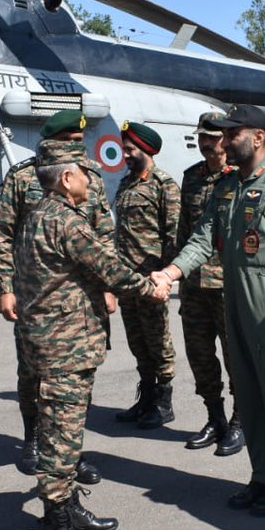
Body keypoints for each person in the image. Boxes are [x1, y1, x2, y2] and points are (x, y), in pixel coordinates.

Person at [155, 104, 265, 517]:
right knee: (249, 393)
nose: (223, 141)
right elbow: (202, 238)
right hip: (234, 302)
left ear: (258, 138)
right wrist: (171, 273)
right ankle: (262, 475)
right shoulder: (226, 187)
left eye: (232, 134)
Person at [15, 139, 169, 530]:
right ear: (67, 179)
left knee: (60, 430)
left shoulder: (36, 215)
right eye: (85, 173)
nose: (91, 180)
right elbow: (111, 268)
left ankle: (68, 507)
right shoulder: (67, 221)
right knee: (62, 437)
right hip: (64, 345)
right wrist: (150, 287)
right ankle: (56, 525)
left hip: (47, 341)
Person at [0, 110, 111, 483]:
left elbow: (103, 232)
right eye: (71, 144)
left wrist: (107, 287)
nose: (78, 151)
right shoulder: (23, 177)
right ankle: (33, 440)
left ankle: (69, 455)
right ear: (52, 143)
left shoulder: (89, 177)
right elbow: (2, 233)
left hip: (83, 300)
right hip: (37, 298)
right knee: (32, 375)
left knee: (77, 380)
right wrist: (6, 287)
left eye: (80, 144)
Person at [177, 111, 244, 456]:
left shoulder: (239, 178)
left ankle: (240, 420)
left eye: (212, 137)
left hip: (228, 285)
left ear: (225, 139)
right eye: (202, 136)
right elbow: (184, 234)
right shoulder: (191, 178)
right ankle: (214, 417)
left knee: (235, 357)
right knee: (200, 355)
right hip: (194, 287)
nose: (205, 142)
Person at [111, 121, 181, 429]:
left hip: (151, 279)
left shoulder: (164, 185)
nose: (125, 153)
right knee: (137, 341)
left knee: (158, 341)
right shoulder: (126, 183)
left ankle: (164, 403)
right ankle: (147, 397)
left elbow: (174, 235)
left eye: (130, 148)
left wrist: (165, 276)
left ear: (147, 150)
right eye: (125, 147)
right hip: (127, 280)